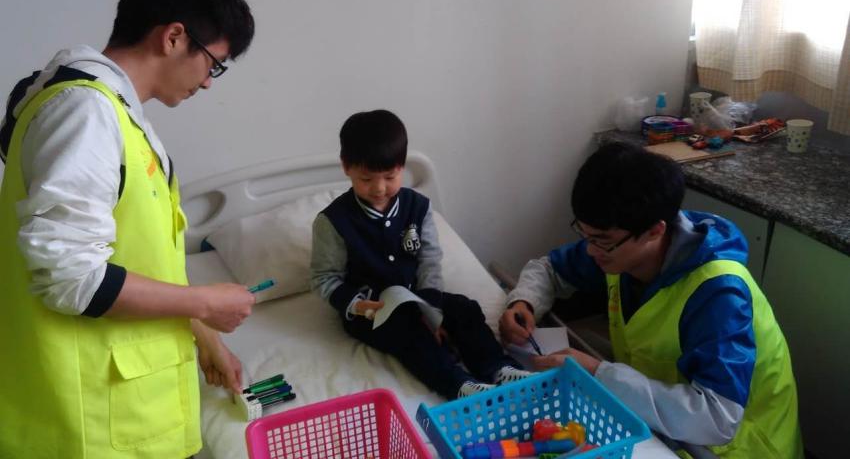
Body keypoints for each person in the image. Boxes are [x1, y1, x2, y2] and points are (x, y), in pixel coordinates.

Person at [0, 0, 256, 457]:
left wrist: (203, 335)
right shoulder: (85, 113)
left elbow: (137, 255)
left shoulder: (108, 112)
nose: (207, 82)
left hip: (125, 404)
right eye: (214, 64)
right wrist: (204, 303)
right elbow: (72, 277)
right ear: (174, 37)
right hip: (94, 422)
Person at [499, 142, 803, 458]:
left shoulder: (718, 295)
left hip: (735, 446)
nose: (590, 250)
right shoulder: (622, 245)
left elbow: (717, 419)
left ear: (654, 231)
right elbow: (549, 268)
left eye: (601, 240)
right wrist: (524, 302)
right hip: (662, 421)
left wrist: (599, 374)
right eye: (585, 235)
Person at [311, 109, 531, 399]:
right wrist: (360, 306)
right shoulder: (333, 222)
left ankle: (498, 368)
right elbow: (324, 278)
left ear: (402, 168)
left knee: (464, 309)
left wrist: (432, 312)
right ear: (346, 167)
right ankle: (458, 385)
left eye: (390, 177)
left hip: (419, 298)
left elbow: (429, 260)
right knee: (408, 332)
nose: (379, 188)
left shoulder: (418, 207)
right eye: (366, 179)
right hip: (372, 311)